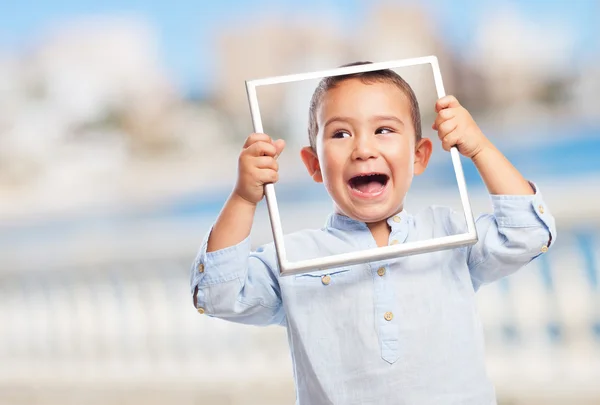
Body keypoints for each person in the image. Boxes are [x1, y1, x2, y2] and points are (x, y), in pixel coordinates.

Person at [190, 62, 556, 405]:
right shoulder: (295, 257)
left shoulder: (448, 232)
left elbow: (527, 233)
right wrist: (242, 197)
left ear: (419, 156)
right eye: (340, 133)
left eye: (383, 130)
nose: (363, 149)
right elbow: (218, 294)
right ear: (314, 165)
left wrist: (478, 147)